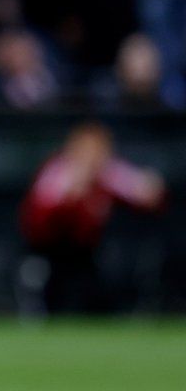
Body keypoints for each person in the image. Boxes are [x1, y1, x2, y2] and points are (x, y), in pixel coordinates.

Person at [20, 122, 165, 313]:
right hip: (55, 253)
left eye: (100, 149)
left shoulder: (109, 172)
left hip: (93, 254)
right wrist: (72, 200)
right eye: (87, 149)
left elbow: (148, 194)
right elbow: (36, 222)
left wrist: (151, 187)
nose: (94, 156)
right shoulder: (58, 174)